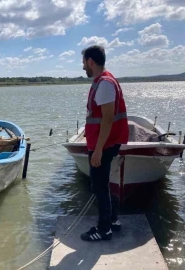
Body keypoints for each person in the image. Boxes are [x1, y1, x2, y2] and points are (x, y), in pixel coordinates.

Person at [80, 45, 129, 241]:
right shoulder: (104, 81)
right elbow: (100, 117)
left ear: (91, 61)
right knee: (103, 184)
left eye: (84, 62)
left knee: (99, 186)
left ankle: (104, 229)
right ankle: (113, 220)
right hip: (106, 142)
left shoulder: (105, 84)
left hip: (105, 145)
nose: (83, 66)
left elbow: (108, 119)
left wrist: (98, 150)